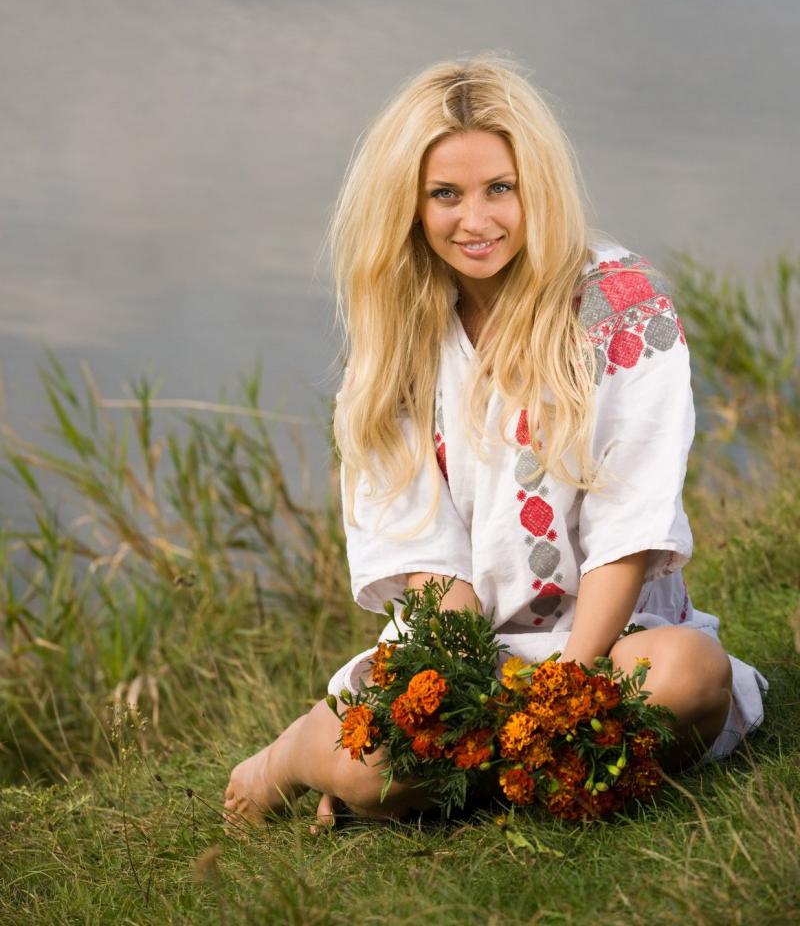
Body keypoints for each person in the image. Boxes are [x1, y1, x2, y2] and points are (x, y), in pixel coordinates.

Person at [224, 56, 767, 829]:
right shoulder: (395, 338)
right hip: (463, 650)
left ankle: (477, 778)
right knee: (379, 765)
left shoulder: (622, 306)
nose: (474, 221)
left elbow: (629, 524)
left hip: (614, 640)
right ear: (409, 203)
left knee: (686, 678)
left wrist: (564, 695)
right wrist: (476, 695)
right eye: (445, 194)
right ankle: (290, 757)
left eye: (499, 189)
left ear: (536, 186)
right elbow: (425, 553)